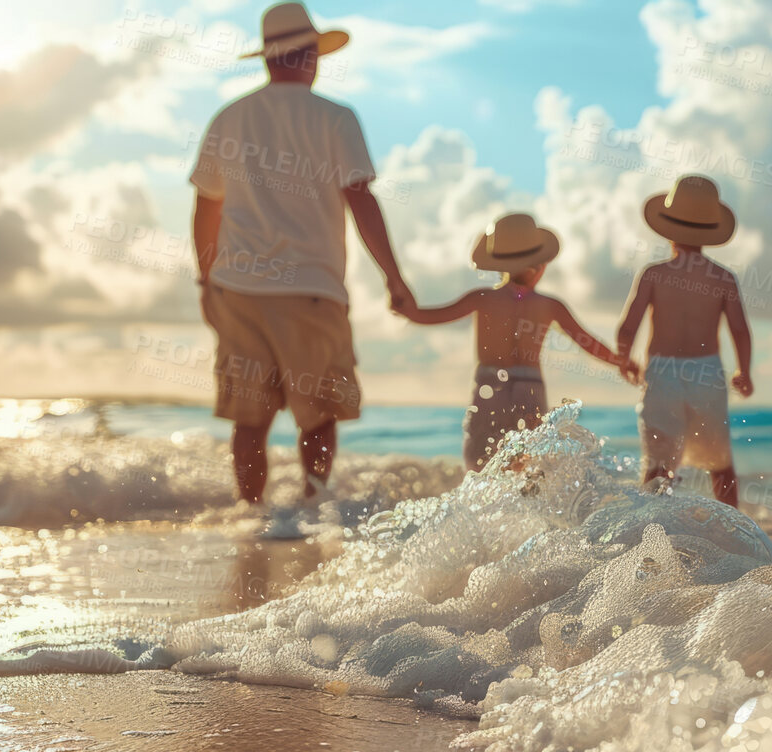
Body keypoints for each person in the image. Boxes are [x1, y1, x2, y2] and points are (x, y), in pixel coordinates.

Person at [189, 2, 414, 504]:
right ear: (309, 56)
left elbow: (207, 207)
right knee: (320, 413)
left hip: (239, 288)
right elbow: (360, 199)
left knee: (250, 419)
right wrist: (394, 280)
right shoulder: (335, 118)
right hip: (312, 288)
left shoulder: (230, 116)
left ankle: (253, 516)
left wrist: (207, 280)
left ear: (268, 59)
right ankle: (309, 510)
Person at [400, 213, 639, 471]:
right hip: (530, 388)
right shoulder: (550, 306)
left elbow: (432, 316)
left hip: (490, 385)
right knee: (524, 465)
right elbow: (588, 342)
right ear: (537, 265)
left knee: (480, 461)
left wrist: (405, 307)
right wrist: (621, 362)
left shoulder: (481, 298)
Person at [616, 174, 753, 507]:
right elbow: (739, 330)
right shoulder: (722, 278)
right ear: (708, 231)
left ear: (667, 229)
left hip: (662, 371)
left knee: (658, 467)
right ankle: (737, 541)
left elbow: (628, 327)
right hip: (706, 373)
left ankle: (650, 537)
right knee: (720, 465)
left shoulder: (654, 274)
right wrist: (744, 372)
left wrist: (625, 359)